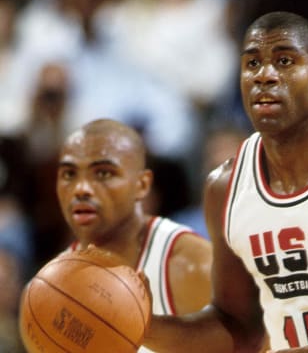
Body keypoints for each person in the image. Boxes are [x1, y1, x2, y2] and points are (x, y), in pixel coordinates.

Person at [142, 11, 308, 352]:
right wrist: (139, 325)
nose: (265, 76)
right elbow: (236, 328)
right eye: (253, 64)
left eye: (285, 61)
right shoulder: (225, 186)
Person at [55, 118, 212, 352]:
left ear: (142, 184)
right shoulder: (54, 284)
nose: (81, 188)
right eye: (69, 174)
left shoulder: (191, 263)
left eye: (103, 174)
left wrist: (152, 330)